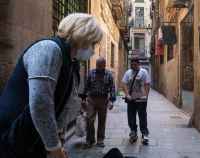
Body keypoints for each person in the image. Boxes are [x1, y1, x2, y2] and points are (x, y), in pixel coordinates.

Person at [0, 13, 103, 158]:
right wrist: (54, 148)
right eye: (93, 43)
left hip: (35, 141)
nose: (93, 50)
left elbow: (62, 104)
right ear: (83, 35)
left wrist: (57, 141)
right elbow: (41, 103)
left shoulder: (72, 64)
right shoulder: (49, 49)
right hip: (11, 138)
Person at [82, 57, 116, 148]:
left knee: (102, 120)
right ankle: (90, 140)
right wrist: (83, 98)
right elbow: (86, 86)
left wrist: (112, 101)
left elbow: (112, 88)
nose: (99, 67)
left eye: (101, 66)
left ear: (104, 65)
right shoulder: (91, 73)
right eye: (97, 65)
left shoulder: (109, 74)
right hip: (91, 99)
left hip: (103, 100)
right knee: (89, 119)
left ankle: (100, 140)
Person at [122, 58, 151, 145]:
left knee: (142, 116)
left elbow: (147, 84)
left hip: (141, 99)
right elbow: (124, 84)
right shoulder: (128, 72)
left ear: (138, 64)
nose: (133, 66)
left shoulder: (144, 72)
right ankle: (133, 132)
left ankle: (144, 134)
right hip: (131, 99)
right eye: (132, 65)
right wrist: (127, 94)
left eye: (135, 65)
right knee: (131, 116)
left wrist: (146, 96)